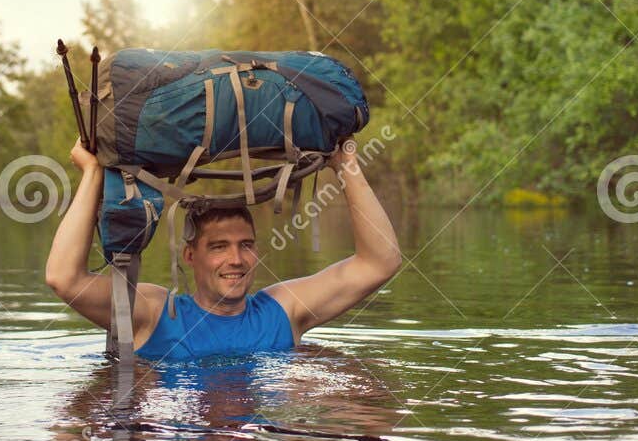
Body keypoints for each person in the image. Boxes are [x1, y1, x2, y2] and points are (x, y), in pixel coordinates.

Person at [44, 136, 403, 361]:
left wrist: (347, 164)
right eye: (219, 247)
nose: (236, 259)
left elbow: (380, 263)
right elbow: (64, 278)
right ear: (190, 255)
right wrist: (92, 173)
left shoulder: (284, 309)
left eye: (246, 245)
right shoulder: (155, 313)